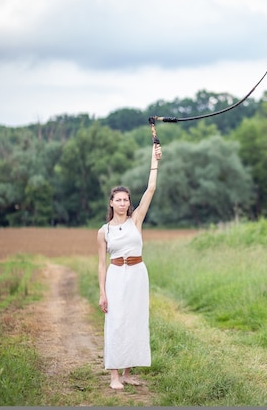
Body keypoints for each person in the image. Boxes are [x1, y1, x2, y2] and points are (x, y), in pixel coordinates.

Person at [97, 122, 162, 390]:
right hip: (116, 276)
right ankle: (113, 376)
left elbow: (151, 189)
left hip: (138, 274)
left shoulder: (136, 219)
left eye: (126, 199)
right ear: (111, 203)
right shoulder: (103, 232)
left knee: (134, 321)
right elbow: (101, 264)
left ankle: (127, 373)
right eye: (118, 200)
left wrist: (154, 159)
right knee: (116, 321)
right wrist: (102, 292)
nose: (123, 203)